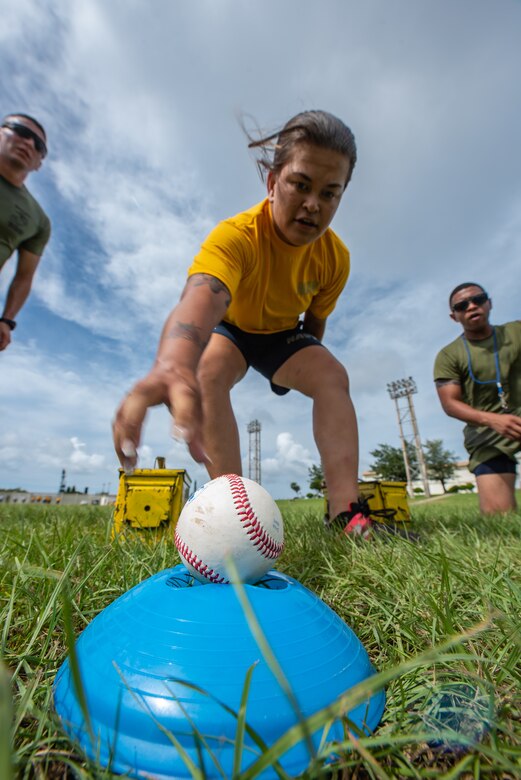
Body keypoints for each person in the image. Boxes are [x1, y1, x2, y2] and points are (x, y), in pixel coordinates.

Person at [113, 110, 374, 537]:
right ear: (273, 183)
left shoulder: (335, 259)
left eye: (330, 193)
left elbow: (316, 321)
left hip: (281, 336)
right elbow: (203, 295)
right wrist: (174, 362)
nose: (313, 204)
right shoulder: (236, 236)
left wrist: (291, 373)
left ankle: (347, 515)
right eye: (301, 184)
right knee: (206, 370)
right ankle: (228, 514)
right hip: (232, 330)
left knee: (333, 375)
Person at [434, 282, 521, 514]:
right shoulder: (449, 355)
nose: (471, 306)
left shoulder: (516, 331)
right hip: (489, 435)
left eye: (478, 300)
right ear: (454, 316)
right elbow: (450, 403)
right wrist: (493, 420)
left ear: (489, 303)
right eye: (462, 305)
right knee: (499, 518)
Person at [0, 112, 51, 351]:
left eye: (38, 144)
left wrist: (7, 320)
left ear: (39, 163)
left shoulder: (38, 220)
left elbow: (25, 276)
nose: (29, 143)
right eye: (21, 131)